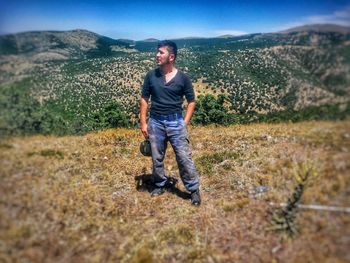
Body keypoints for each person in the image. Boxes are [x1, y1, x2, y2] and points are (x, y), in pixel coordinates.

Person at [139, 40, 201, 206]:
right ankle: (159, 183)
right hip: (155, 121)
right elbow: (144, 99)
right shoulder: (151, 76)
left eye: (161, 52)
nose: (157, 55)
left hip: (175, 121)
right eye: (157, 52)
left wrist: (184, 122)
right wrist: (143, 123)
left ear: (171, 56)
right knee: (156, 156)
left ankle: (193, 189)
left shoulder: (183, 78)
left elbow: (191, 101)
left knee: (183, 156)